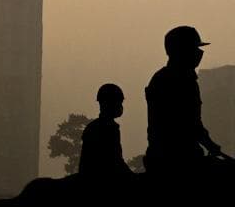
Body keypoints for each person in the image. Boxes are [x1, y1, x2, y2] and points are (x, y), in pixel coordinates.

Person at [144, 25, 222, 179]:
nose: (199, 53)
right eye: (194, 48)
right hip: (175, 159)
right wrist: (210, 144)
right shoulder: (174, 81)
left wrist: (209, 144)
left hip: (180, 155)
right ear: (181, 51)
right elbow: (189, 123)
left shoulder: (180, 79)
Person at [77, 83, 133, 183]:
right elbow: (115, 161)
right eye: (119, 102)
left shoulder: (93, 127)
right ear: (109, 104)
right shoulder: (109, 128)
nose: (120, 106)